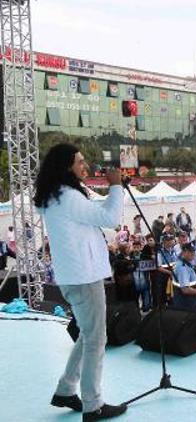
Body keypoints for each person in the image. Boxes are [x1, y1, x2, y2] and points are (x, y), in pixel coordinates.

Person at [35, 143, 127, 420]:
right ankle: (93, 403)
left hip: (73, 277)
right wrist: (116, 187)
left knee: (88, 335)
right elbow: (111, 218)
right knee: (97, 339)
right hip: (84, 278)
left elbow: (92, 217)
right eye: (80, 162)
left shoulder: (56, 197)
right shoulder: (69, 198)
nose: (85, 166)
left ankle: (65, 389)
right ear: (66, 167)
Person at [172, 243, 196, 310]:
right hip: (185, 302)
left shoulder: (187, 263)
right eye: (190, 251)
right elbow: (185, 290)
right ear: (184, 252)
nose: (193, 253)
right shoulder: (182, 267)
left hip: (189, 300)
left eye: (194, 251)